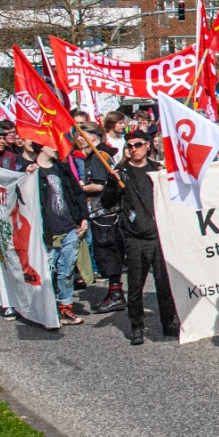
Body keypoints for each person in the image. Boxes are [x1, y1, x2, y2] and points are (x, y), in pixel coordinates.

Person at [100, 131, 176, 345]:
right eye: (130, 146)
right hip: (135, 237)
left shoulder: (156, 169)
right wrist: (113, 185)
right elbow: (106, 202)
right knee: (135, 286)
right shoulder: (121, 171)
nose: (134, 149)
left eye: (138, 144)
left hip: (158, 236)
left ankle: (168, 323)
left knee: (164, 284)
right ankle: (136, 327)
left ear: (147, 146)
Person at [25, 142, 90, 325]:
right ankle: (44, 309)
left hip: (69, 227)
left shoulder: (62, 168)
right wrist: (27, 176)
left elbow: (77, 193)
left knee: (67, 270)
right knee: (46, 271)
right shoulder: (32, 172)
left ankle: (65, 308)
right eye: (51, 145)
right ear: (41, 148)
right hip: (47, 232)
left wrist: (83, 217)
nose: (56, 148)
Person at [78, 123, 125, 314]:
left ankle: (116, 295)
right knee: (107, 252)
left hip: (104, 212)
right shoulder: (100, 154)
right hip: (104, 213)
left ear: (94, 136)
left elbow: (99, 185)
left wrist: (79, 188)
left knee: (108, 252)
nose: (79, 139)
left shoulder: (98, 157)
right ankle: (114, 293)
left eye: (82, 135)